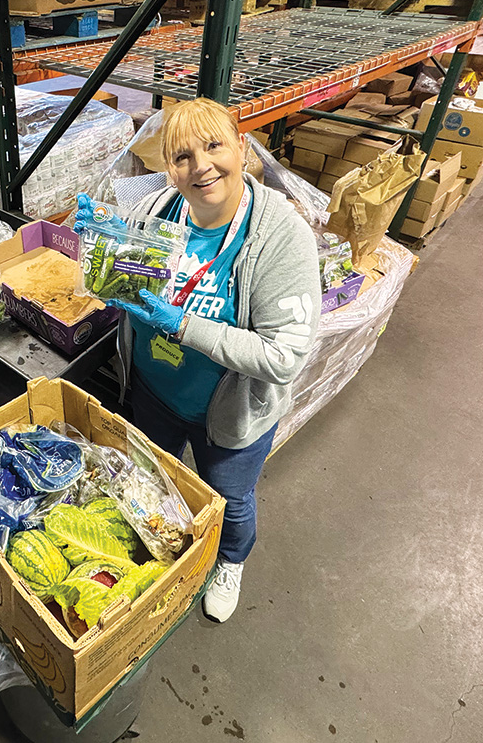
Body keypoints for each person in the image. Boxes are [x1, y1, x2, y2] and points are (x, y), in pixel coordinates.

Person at [77, 98, 321, 622]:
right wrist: (102, 241)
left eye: (214, 146)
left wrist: (184, 326)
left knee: (230, 498)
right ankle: (161, 539)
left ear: (241, 147)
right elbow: (121, 283)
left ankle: (230, 560)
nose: (201, 166)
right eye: (182, 156)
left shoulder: (280, 235)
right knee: (153, 479)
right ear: (169, 167)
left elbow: (284, 357)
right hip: (153, 392)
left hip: (229, 415)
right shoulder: (157, 209)